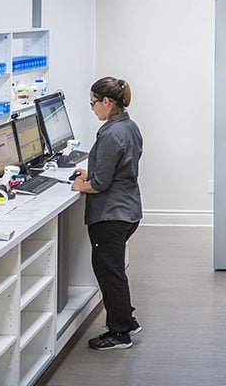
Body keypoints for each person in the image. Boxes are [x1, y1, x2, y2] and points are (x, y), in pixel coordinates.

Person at [72, 76, 145, 350]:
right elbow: (118, 169)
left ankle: (119, 333)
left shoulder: (110, 133)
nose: (92, 109)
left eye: (93, 103)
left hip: (110, 215)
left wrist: (81, 183)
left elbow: (100, 184)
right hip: (128, 210)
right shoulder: (129, 126)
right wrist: (92, 174)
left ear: (106, 101)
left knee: (109, 271)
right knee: (114, 269)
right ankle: (127, 319)